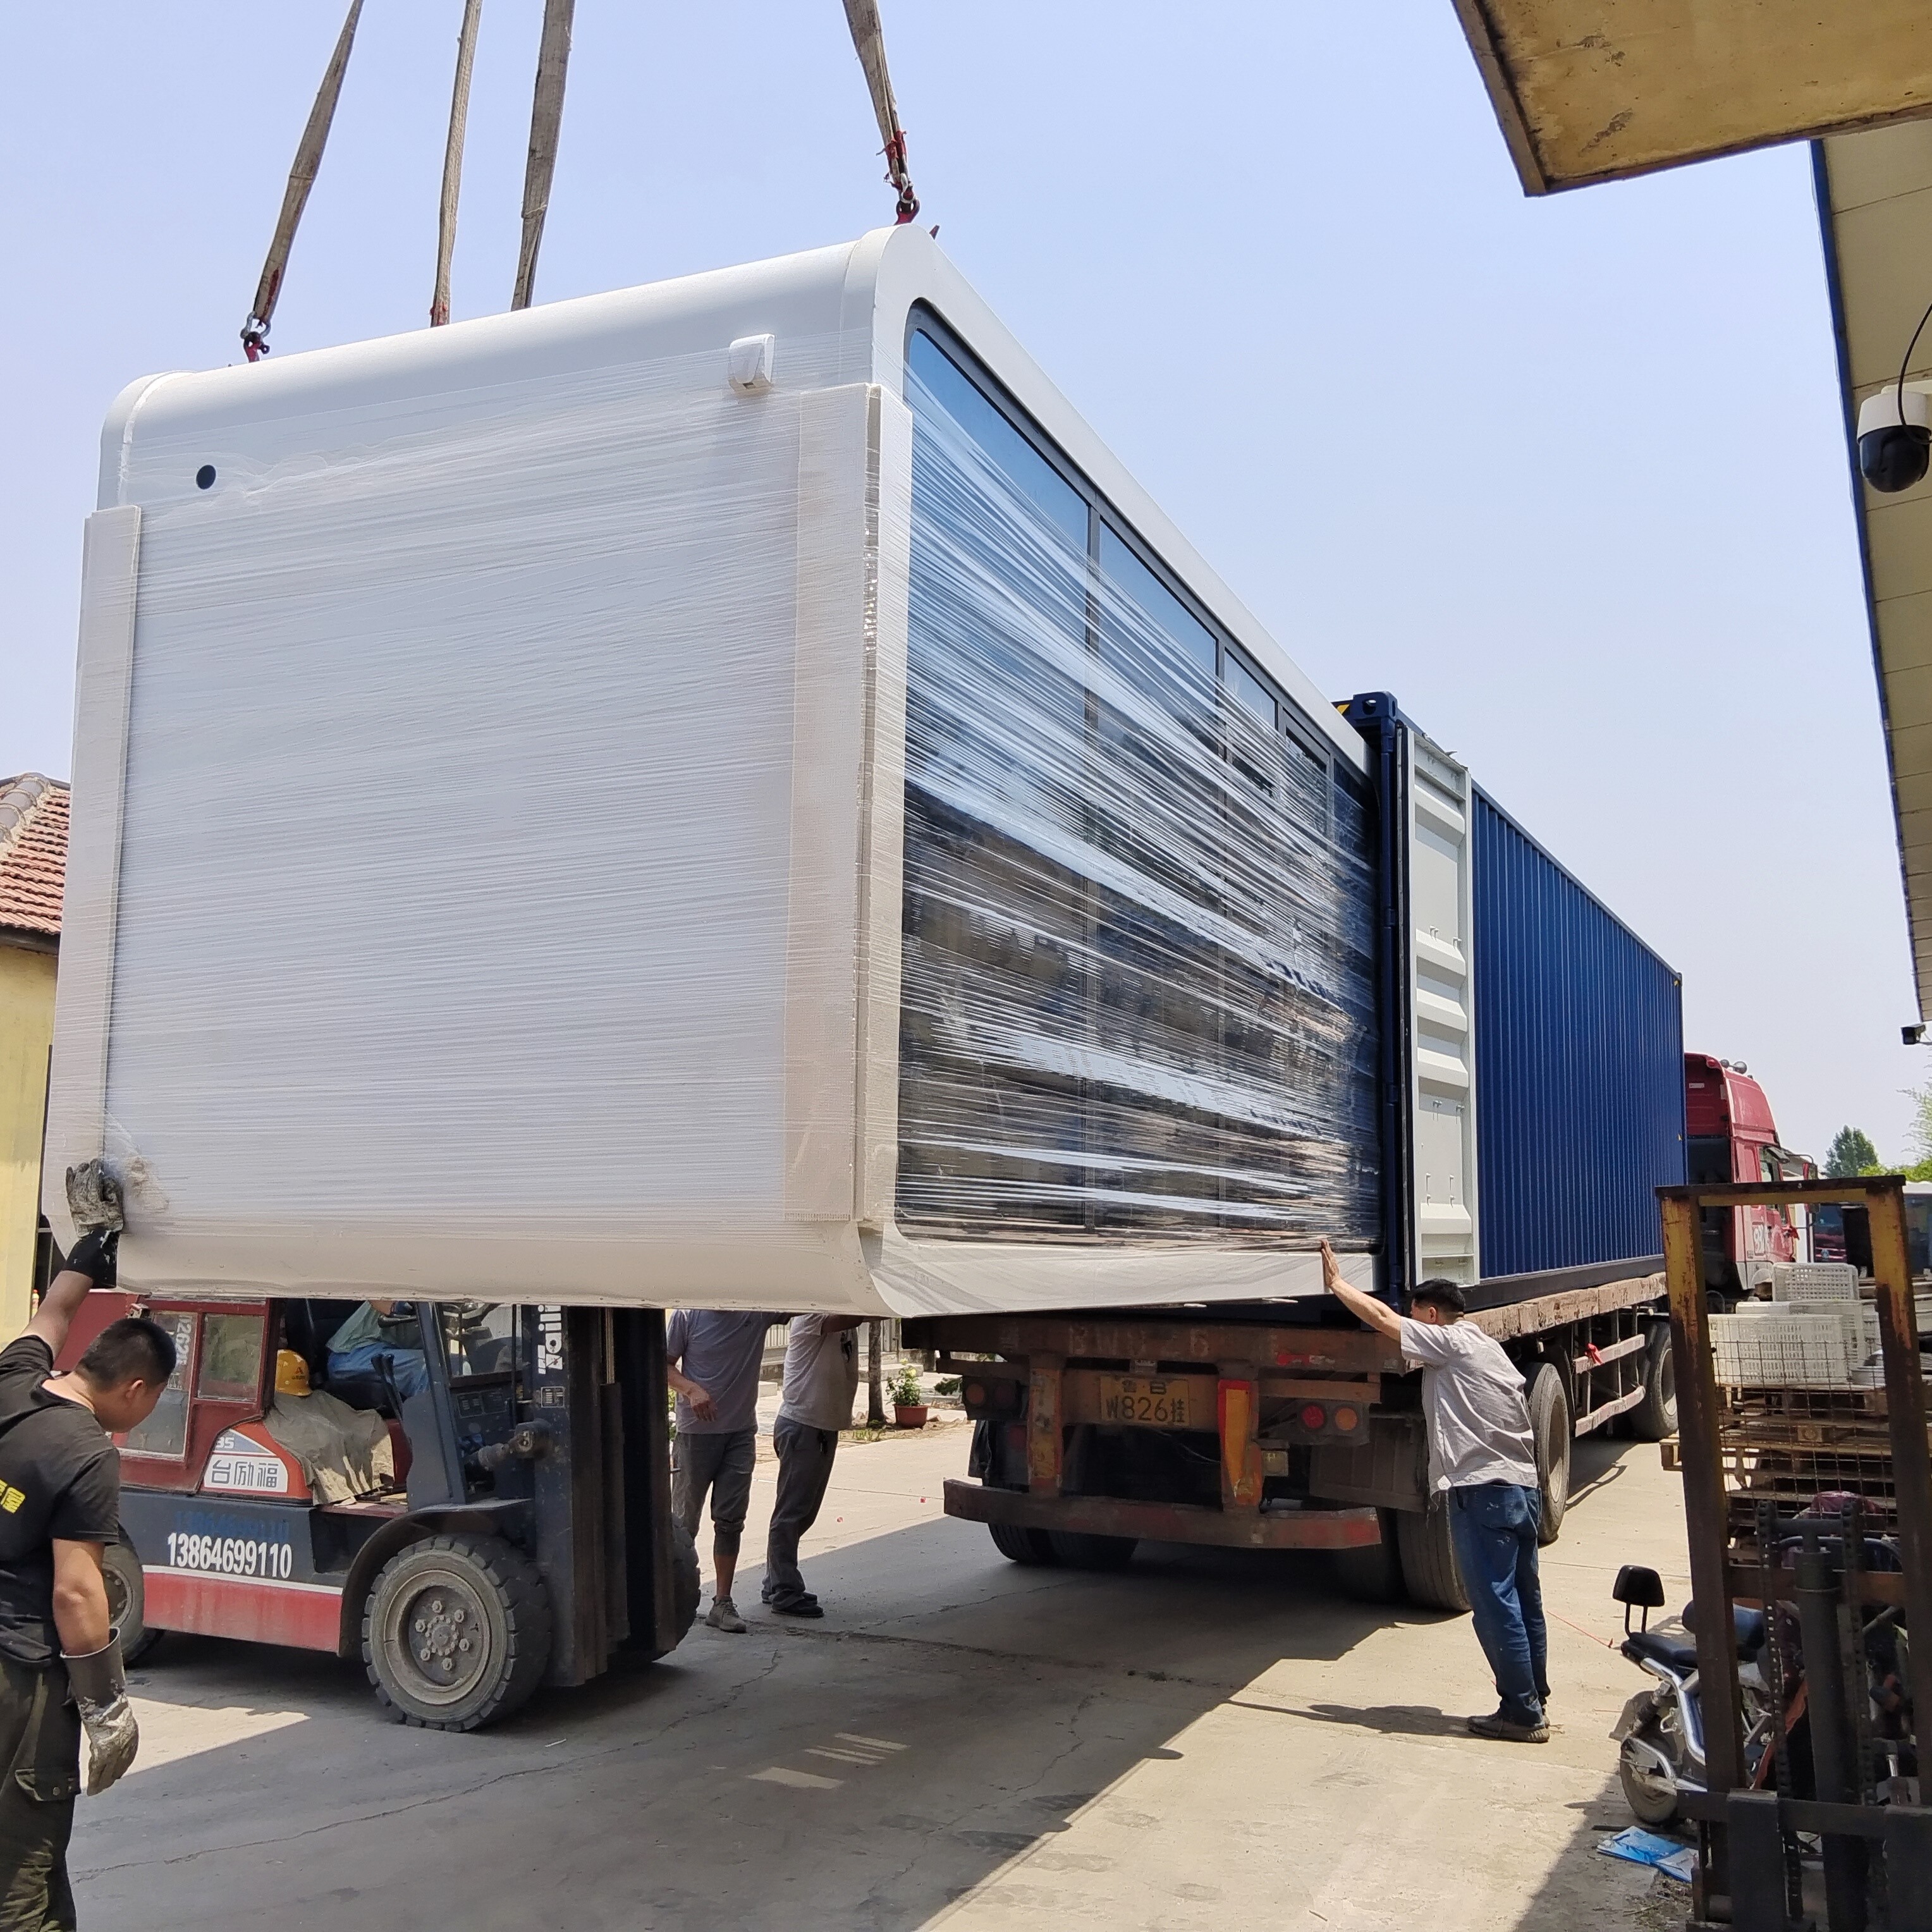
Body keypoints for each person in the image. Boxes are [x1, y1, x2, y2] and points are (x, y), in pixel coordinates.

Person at [0, 1227, 175, 1924]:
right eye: (153, 1398)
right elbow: (76, 1591)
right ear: (134, 1388)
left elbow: (50, 1316)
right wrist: (106, 1705)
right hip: (21, 1677)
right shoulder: (87, 1453)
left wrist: (82, 1261)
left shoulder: (13, 1381)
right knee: (24, 1866)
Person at [1319, 1238, 1550, 1744]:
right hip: (1521, 1489)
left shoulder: (1449, 1342)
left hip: (1484, 1492)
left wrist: (1337, 1285)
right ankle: (1533, 1696)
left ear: (1430, 1314)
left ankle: (1522, 1714)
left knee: (1495, 1605)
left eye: (1416, 1317)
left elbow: (1383, 1319)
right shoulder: (1488, 1347)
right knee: (1523, 1599)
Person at [664, 1309, 789, 1633]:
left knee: (731, 1520)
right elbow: (664, 1365)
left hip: (740, 1433)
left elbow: (807, 1302)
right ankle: (671, 1598)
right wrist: (692, 1390)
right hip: (695, 1435)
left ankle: (722, 1603)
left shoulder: (755, 1312)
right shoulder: (687, 1315)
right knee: (684, 1522)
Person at [761, 1314, 864, 1620]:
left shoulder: (842, 1319)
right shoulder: (812, 1316)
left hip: (821, 1427)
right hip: (803, 1426)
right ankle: (785, 1590)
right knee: (791, 1515)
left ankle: (775, 1582)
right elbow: (857, 1316)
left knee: (803, 1513)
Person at [325, 1299, 429, 1402]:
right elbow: (384, 1304)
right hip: (352, 1355)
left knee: (434, 1363)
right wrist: (405, 1304)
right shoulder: (404, 1293)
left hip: (392, 1351)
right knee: (428, 1366)